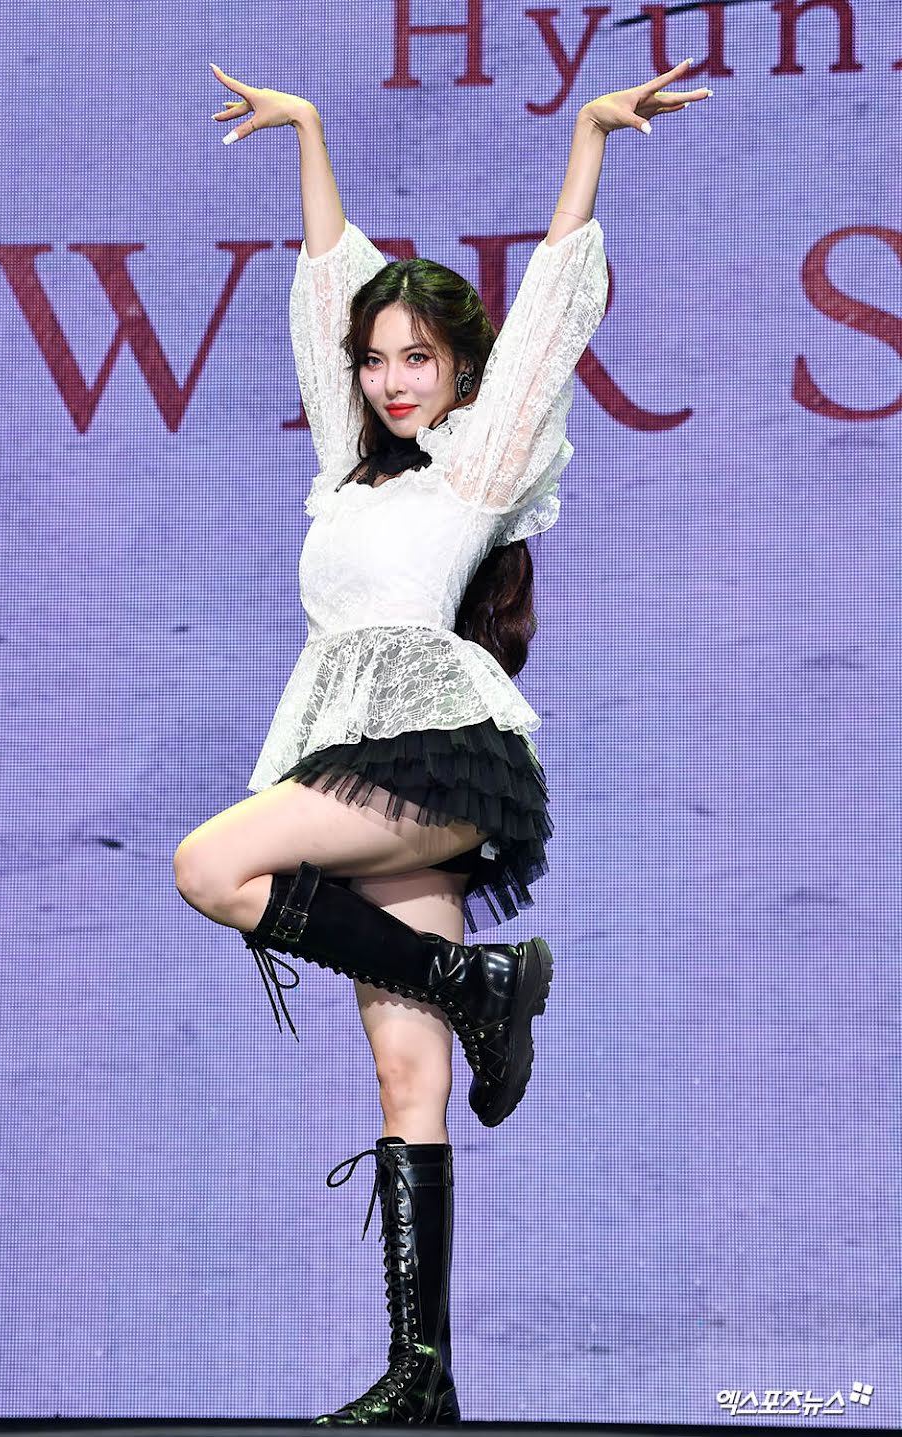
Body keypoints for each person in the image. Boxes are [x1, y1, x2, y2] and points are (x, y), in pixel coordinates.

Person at [174, 58, 712, 1426]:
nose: (391, 377)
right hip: (364, 755)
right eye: (377, 358)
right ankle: (424, 1372)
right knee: (406, 1076)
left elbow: (547, 320)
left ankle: (481, 986)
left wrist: (589, 140)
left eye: (418, 356)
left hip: (432, 753)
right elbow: (323, 286)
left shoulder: (475, 464)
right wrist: (309, 132)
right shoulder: (342, 475)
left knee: (211, 865)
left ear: (460, 369)